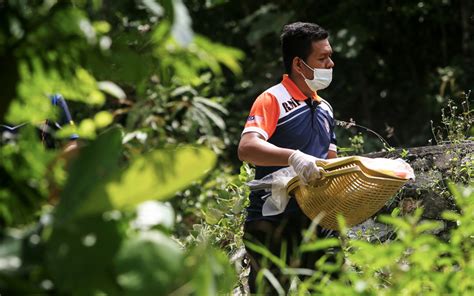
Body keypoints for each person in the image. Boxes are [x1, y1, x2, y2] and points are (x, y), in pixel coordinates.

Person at [238, 22, 338, 294]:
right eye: (322, 58)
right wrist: (294, 157)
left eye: (330, 56)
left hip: (317, 219)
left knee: (335, 288)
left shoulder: (325, 108)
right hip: (271, 221)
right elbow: (247, 148)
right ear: (298, 64)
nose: (331, 64)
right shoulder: (272, 99)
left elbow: (331, 162)